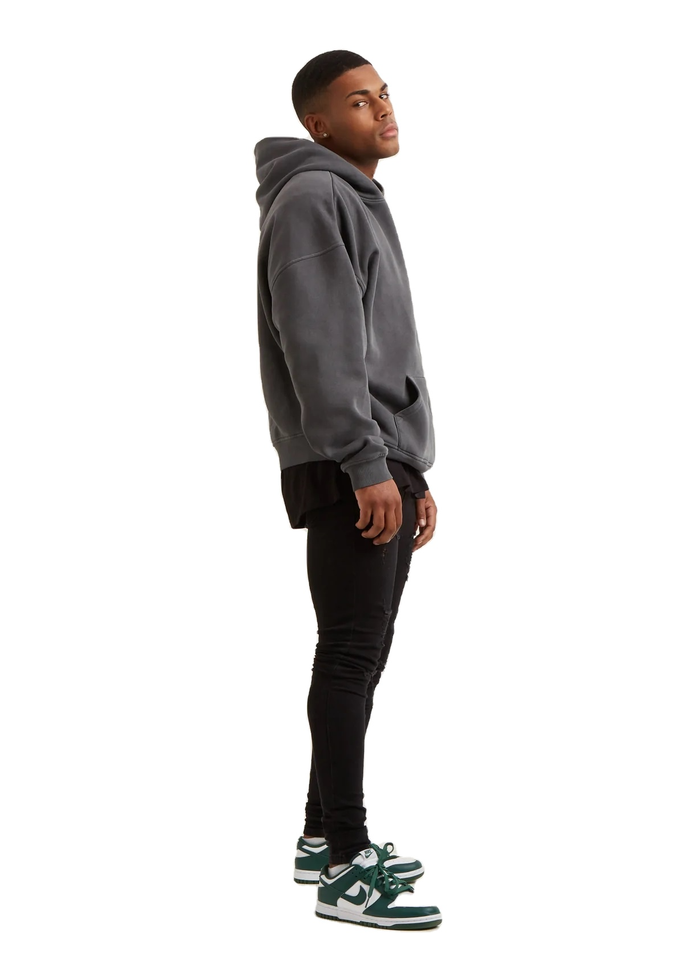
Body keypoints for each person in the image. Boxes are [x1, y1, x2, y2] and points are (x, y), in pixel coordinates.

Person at [254, 50, 442, 931]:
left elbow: (377, 351)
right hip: (346, 463)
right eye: (361, 102)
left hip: (372, 458)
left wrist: (410, 469)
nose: (383, 109)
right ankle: (344, 866)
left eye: (385, 94)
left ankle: (318, 833)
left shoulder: (351, 197)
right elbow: (321, 345)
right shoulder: (312, 198)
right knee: (348, 654)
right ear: (320, 125)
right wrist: (369, 465)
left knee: (360, 656)